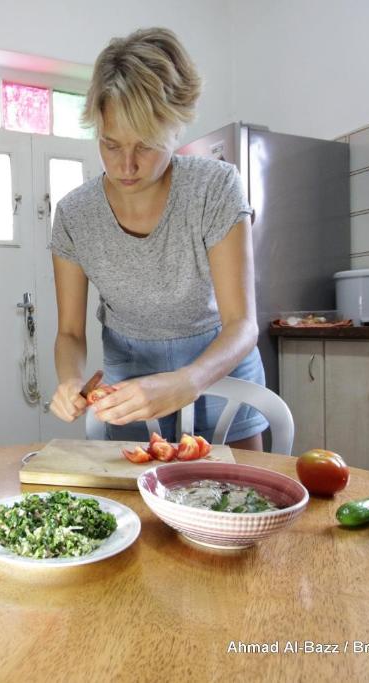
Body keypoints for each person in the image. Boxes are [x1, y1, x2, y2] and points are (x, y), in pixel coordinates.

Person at [47, 27, 268, 451]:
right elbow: (71, 333)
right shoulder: (75, 214)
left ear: (175, 127)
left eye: (145, 146)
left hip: (217, 363)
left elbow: (241, 325)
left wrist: (188, 381)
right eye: (110, 145)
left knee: (237, 499)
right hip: (128, 372)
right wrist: (70, 380)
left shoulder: (214, 187)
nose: (126, 166)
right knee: (137, 506)